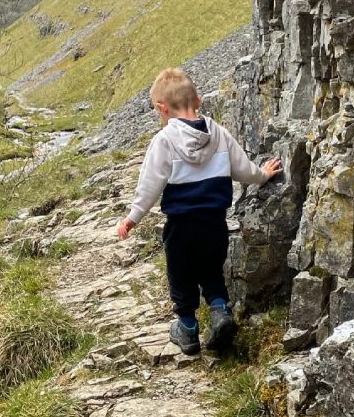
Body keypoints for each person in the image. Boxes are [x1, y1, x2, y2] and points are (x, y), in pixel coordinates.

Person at [116, 68, 283, 354]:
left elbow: (150, 186)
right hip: (214, 222)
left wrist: (132, 218)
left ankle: (188, 329)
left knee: (181, 276)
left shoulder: (165, 141)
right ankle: (220, 312)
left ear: (161, 107)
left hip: (181, 226)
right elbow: (242, 169)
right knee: (211, 271)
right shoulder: (218, 133)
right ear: (199, 100)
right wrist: (263, 175)